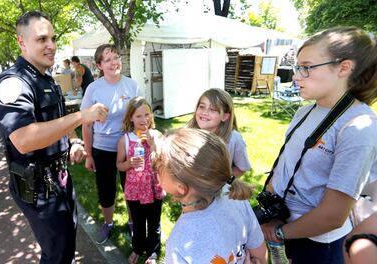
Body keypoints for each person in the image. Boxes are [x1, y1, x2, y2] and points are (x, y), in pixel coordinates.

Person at [0, 11, 109, 264]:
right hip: (39, 188)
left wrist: (74, 141)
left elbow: (59, 118)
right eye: (42, 39)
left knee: (66, 243)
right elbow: (23, 139)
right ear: (22, 42)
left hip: (60, 179)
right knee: (57, 254)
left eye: (52, 39)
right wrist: (82, 117)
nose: (51, 46)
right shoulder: (14, 83)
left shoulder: (46, 79)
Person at [260, 26, 377, 264]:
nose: (295, 76)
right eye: (297, 67)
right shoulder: (305, 111)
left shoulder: (358, 126)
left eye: (306, 67)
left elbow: (333, 215)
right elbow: (286, 164)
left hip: (316, 246)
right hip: (284, 229)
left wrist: (279, 234)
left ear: (344, 68)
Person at [152, 128, 267, 264]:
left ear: (181, 188)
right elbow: (260, 254)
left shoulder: (179, 243)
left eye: (158, 169)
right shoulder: (234, 197)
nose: (155, 172)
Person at [81, 43, 140, 244]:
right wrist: (88, 155)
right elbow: (86, 125)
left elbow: (141, 117)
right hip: (102, 150)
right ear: (99, 65)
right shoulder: (93, 89)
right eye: (108, 60)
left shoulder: (132, 85)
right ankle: (108, 223)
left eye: (116, 57)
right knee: (105, 190)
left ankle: (133, 222)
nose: (114, 63)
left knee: (131, 188)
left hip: (129, 148)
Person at [116, 96, 165, 264]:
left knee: (154, 221)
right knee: (137, 222)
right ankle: (137, 248)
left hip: (153, 187)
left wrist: (153, 145)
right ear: (131, 117)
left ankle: (152, 252)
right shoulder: (126, 139)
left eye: (147, 115)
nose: (143, 119)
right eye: (138, 116)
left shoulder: (157, 136)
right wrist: (128, 163)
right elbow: (119, 165)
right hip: (135, 189)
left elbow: (163, 161)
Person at [187, 88, 251, 177]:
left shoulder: (234, 139)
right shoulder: (188, 131)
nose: (205, 112)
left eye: (213, 109)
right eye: (202, 106)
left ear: (224, 116)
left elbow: (241, 167)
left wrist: (223, 182)